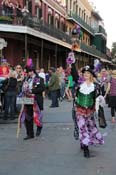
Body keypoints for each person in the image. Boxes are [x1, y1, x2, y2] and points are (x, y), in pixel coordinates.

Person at [75, 66, 104, 158]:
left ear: (91, 75)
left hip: (90, 111)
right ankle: (86, 149)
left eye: (88, 73)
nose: (86, 75)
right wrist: (72, 62)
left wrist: (99, 99)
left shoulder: (95, 86)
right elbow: (73, 74)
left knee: (90, 128)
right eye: (85, 73)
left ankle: (83, 143)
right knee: (82, 128)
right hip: (80, 110)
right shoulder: (79, 85)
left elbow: (98, 97)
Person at [21, 67, 45, 140]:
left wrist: (32, 91)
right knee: (28, 117)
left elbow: (42, 88)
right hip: (28, 100)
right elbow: (24, 88)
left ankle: (39, 127)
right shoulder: (27, 79)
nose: (29, 73)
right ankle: (30, 134)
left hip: (36, 100)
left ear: (33, 71)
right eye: (28, 72)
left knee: (37, 117)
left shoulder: (39, 79)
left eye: (30, 72)